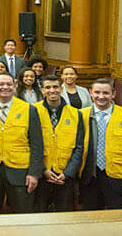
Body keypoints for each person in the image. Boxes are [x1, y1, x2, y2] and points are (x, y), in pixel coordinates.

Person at [79, 78, 122, 210]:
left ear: (113, 94)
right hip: (89, 178)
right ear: (90, 93)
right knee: (90, 219)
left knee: (118, 220)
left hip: (119, 179)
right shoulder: (80, 116)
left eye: (106, 93)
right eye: (97, 92)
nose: (101, 97)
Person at [0, 72, 43, 213]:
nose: (5, 87)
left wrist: (34, 173)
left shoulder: (28, 109)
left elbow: (37, 144)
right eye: (1, 84)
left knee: (23, 212)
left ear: (15, 86)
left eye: (9, 84)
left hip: (20, 171)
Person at [34, 75, 84, 212]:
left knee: (64, 215)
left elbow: (79, 148)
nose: (52, 90)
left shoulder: (75, 114)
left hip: (64, 175)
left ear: (61, 89)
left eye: (55, 87)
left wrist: (67, 173)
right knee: (40, 214)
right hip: (41, 173)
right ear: (42, 90)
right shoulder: (33, 111)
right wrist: (44, 170)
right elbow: (29, 144)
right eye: (48, 87)